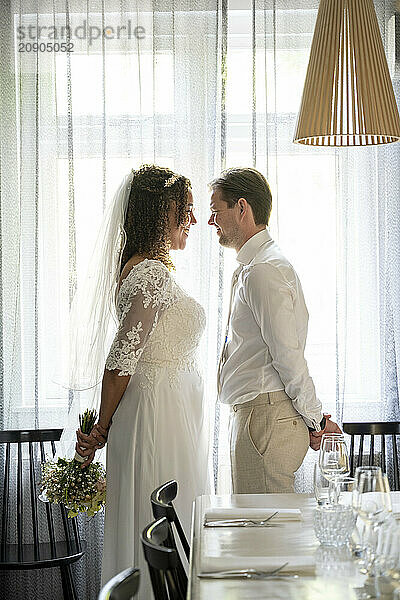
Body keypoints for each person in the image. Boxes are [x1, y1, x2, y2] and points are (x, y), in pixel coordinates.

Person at [74, 165, 209, 597]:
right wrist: (100, 430)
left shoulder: (148, 270)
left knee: (171, 523)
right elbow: (120, 361)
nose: (191, 221)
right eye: (185, 211)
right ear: (161, 213)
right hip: (155, 416)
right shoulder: (149, 274)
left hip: (168, 410)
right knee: (162, 524)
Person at [208, 167, 341, 494]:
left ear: (242, 208)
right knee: (262, 533)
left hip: (265, 420)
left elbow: (288, 357)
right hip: (260, 417)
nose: (211, 221)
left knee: (264, 537)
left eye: (215, 212)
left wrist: (318, 422)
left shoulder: (264, 270)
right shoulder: (257, 266)